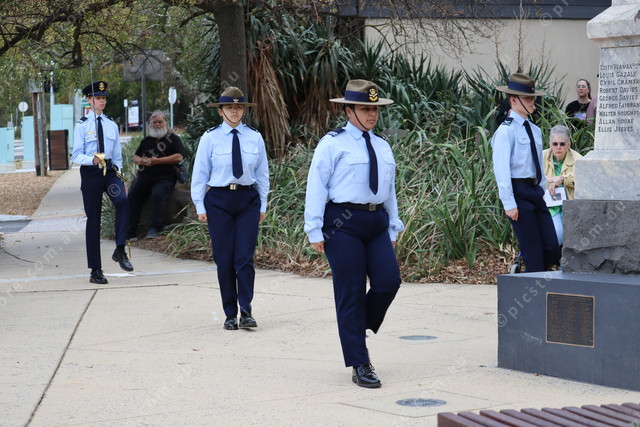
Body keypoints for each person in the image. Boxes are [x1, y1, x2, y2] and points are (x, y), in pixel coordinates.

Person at [304, 79, 404, 388]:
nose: (372, 114)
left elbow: (389, 190)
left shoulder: (382, 145)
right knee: (350, 291)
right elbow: (316, 185)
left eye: (375, 109)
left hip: (376, 222)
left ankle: (356, 326)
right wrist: (314, 228)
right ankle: (360, 362)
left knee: (389, 281)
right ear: (349, 111)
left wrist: (393, 224)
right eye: (365, 109)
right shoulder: (332, 144)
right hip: (342, 223)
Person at [191, 87, 269, 331]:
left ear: (244, 110)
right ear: (220, 111)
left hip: (247, 200)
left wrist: (263, 204)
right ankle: (229, 314)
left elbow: (262, 174)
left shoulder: (255, 137)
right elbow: (200, 173)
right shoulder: (210, 138)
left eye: (238, 107)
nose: (234, 111)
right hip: (219, 201)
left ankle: (246, 310)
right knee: (224, 260)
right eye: (229, 107)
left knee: (244, 258)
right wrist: (199, 205)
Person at [491, 73, 560, 272]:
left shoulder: (534, 130)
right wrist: (509, 203)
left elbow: (537, 164)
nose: (532, 102)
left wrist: (542, 190)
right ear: (513, 100)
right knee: (534, 253)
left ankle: (528, 274)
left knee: (552, 248)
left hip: (535, 192)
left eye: (533, 97)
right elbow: (501, 170)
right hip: (519, 192)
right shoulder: (506, 131)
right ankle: (532, 283)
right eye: (528, 98)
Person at [71, 81, 133, 284]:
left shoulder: (111, 124)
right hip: (91, 174)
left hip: (110, 173)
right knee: (94, 221)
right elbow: (76, 155)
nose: (102, 101)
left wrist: (122, 178)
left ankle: (120, 249)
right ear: (89, 100)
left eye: (104, 98)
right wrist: (92, 160)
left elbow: (118, 157)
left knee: (122, 200)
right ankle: (95, 270)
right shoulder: (82, 125)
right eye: (98, 98)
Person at [127, 111, 185, 240]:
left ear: (166, 123)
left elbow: (179, 156)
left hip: (165, 177)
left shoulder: (173, 138)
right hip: (145, 178)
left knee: (158, 194)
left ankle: (155, 228)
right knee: (133, 195)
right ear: (150, 125)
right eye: (154, 122)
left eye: (160, 122)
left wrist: (157, 161)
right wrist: (141, 161)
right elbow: (135, 156)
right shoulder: (146, 140)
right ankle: (130, 231)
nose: (157, 124)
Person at [543, 125, 582, 246]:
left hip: (570, 206)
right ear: (550, 144)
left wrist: (562, 179)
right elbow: (531, 175)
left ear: (568, 145)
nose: (558, 147)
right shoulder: (541, 156)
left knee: (567, 237)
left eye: (562, 144)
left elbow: (584, 178)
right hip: (548, 206)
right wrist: (550, 179)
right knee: (556, 234)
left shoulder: (579, 159)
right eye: (555, 144)